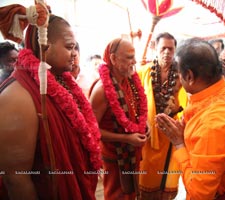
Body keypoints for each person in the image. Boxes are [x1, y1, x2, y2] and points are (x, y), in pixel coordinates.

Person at [0, 6, 101, 200]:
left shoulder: (61, 80)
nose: (75, 54)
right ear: (44, 46)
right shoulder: (18, 96)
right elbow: (16, 179)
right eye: (69, 47)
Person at [155, 38, 225, 200]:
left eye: (178, 74)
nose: (178, 80)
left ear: (189, 76)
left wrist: (179, 143)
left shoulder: (212, 127)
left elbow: (199, 195)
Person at [89, 38, 149, 200]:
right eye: (129, 57)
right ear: (114, 59)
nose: (135, 61)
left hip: (132, 154)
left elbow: (137, 112)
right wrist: (126, 138)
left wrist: (145, 125)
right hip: (115, 158)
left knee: (132, 195)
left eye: (134, 56)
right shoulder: (101, 90)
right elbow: (90, 130)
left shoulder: (130, 81)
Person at [137, 32, 188, 200]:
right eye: (163, 48)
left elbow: (189, 103)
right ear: (155, 48)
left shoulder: (182, 75)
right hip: (149, 132)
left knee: (168, 175)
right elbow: (135, 101)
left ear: (175, 50)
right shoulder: (143, 72)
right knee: (147, 174)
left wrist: (177, 108)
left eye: (170, 49)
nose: (167, 52)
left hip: (171, 134)